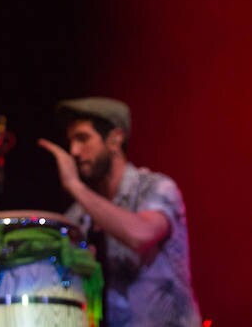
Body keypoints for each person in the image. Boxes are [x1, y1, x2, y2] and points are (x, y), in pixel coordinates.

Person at [39, 96, 201, 327]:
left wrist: (74, 186)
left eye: (83, 139)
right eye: (71, 141)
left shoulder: (156, 187)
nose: (74, 151)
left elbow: (141, 234)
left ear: (115, 139)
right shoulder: (79, 215)